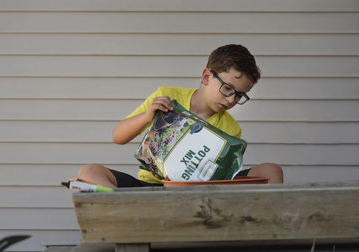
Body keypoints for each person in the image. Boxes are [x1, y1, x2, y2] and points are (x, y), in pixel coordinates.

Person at [78, 44, 284, 188]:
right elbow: (118, 136)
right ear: (206, 77)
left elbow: (219, 178)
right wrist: (147, 116)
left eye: (239, 95)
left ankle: (271, 223)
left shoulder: (230, 129)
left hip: (196, 194)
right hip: (149, 187)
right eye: (228, 89)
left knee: (271, 171)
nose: (232, 100)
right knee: (90, 171)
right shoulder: (167, 96)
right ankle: (123, 208)